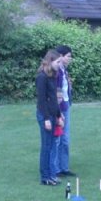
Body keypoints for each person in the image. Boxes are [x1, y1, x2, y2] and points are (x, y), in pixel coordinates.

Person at [36, 49, 64, 186]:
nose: (59, 64)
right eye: (58, 62)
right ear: (51, 60)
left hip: (53, 114)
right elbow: (41, 100)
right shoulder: (41, 77)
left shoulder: (53, 75)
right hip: (44, 115)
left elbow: (53, 98)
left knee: (52, 146)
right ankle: (45, 177)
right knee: (46, 146)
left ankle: (51, 175)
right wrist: (46, 118)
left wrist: (59, 116)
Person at [53, 45, 76, 178]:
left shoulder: (64, 70)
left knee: (65, 140)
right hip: (59, 109)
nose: (70, 59)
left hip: (66, 107)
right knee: (58, 139)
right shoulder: (56, 72)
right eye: (68, 56)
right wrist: (58, 113)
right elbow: (56, 92)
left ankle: (64, 168)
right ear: (60, 56)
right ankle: (55, 169)